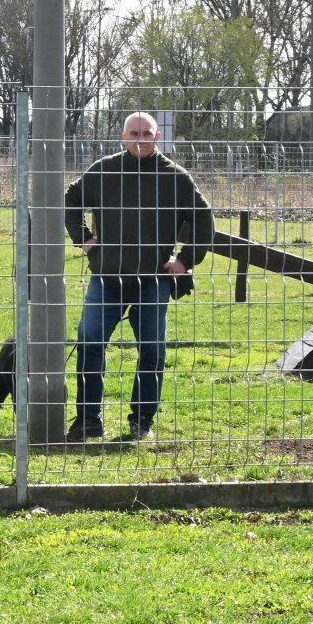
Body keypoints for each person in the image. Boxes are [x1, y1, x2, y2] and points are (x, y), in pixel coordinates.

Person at [62, 112, 214, 442]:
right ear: (122, 136)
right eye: (134, 133)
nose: (140, 138)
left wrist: (186, 259)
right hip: (107, 278)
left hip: (152, 280)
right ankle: (89, 419)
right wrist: (84, 239)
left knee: (152, 349)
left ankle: (142, 419)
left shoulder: (175, 178)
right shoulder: (104, 170)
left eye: (147, 133)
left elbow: (203, 219)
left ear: (157, 138)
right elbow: (70, 199)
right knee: (89, 342)